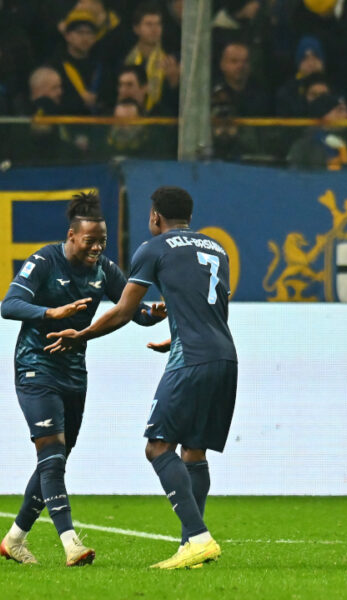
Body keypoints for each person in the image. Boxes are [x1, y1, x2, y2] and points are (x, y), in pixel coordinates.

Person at [46, 186, 237, 570]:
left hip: (193, 361)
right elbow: (216, 308)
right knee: (194, 451)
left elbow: (123, 311)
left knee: (158, 446)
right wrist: (177, 336)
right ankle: (191, 548)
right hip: (225, 356)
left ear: (155, 217)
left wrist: (82, 334)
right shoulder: (218, 249)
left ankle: (198, 538)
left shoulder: (153, 249)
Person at [0, 192, 164, 566]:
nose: (97, 247)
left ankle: (15, 538)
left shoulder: (103, 269)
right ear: (72, 236)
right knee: (52, 457)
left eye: (102, 241)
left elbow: (131, 310)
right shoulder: (43, 260)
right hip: (35, 368)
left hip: (74, 375)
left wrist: (155, 313)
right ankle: (71, 542)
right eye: (90, 241)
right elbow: (10, 305)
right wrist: (50, 312)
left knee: (55, 460)